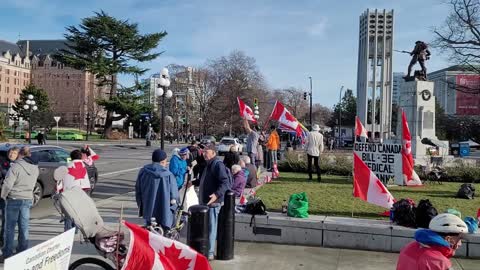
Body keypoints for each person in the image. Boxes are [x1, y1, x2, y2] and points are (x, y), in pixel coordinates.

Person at [0, 147, 39, 260]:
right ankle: (22, 251)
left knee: (9, 228)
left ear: (20, 155)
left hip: (14, 198)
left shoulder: (15, 166)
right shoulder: (35, 168)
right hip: (27, 199)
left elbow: (7, 184)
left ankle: (7, 253)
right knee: (24, 227)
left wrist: (3, 196)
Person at [396, 213, 468, 270]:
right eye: (459, 239)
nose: (460, 244)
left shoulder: (410, 246)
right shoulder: (440, 262)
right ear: (448, 239)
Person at [198, 142, 231, 261]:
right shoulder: (208, 164)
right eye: (203, 152)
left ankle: (210, 252)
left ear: (213, 153)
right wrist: (195, 182)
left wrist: (216, 195)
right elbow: (206, 179)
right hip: (206, 202)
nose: (204, 154)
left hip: (213, 203)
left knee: (211, 227)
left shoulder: (217, 164)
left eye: (206, 152)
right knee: (207, 227)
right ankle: (207, 250)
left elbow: (225, 182)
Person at [136, 149, 179, 230]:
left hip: (148, 209)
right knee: (164, 234)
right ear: (163, 161)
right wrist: (176, 206)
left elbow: (138, 190)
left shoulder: (143, 171)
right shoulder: (168, 175)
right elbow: (174, 195)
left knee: (150, 232)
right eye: (166, 162)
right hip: (164, 210)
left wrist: (141, 206)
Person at [57, 150, 91, 231]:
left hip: (69, 192)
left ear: (71, 157)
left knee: (68, 211)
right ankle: (76, 228)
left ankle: (68, 230)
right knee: (77, 211)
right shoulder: (84, 165)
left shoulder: (67, 166)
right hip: (82, 191)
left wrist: (59, 191)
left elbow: (60, 181)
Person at [0, 147, 19, 247]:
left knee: (5, 219)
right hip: (2, 193)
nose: (12, 155)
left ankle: (2, 239)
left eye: (14, 153)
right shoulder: (3, 163)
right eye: (11, 153)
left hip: (10, 196)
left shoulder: (19, 165)